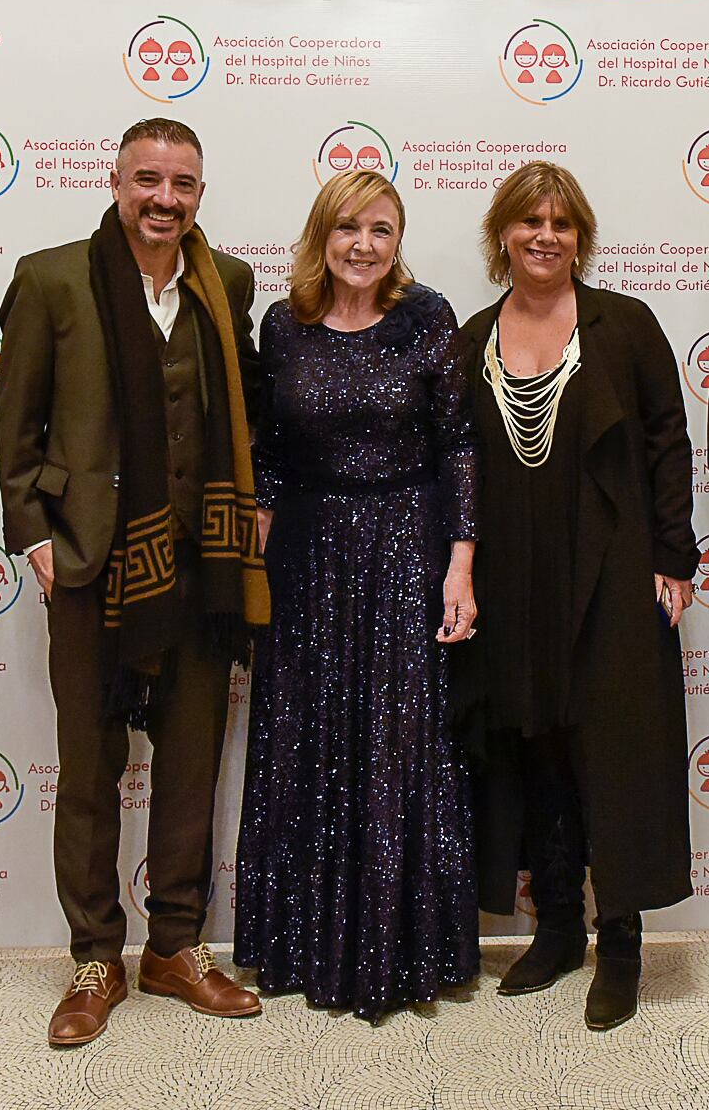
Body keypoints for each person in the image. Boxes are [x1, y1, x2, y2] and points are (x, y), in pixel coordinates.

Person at [0, 118, 266, 1045]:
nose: (164, 199)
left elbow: (238, 417)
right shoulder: (52, 278)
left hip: (202, 568)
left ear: (200, 193)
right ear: (115, 183)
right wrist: (34, 538)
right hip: (90, 562)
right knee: (92, 768)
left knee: (192, 762)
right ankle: (93, 956)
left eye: (182, 184)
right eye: (147, 180)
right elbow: (17, 426)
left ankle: (176, 948)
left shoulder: (226, 283)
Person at [455, 161, 698, 1031]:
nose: (544, 235)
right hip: (511, 579)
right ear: (503, 236)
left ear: (580, 236)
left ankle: (619, 943)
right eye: (529, 221)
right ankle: (555, 928)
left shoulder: (625, 327)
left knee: (613, 756)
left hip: (613, 571)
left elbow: (670, 443)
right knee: (534, 752)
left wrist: (674, 555)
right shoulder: (470, 338)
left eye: (561, 221)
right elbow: (457, 467)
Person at [232, 170, 480, 1021]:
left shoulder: (427, 318)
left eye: (380, 229)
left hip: (404, 549)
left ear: (397, 239)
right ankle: (299, 945)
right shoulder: (282, 323)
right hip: (306, 556)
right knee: (304, 737)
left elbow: (458, 447)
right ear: (321, 235)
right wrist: (261, 517)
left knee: (395, 741)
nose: (363, 246)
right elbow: (266, 442)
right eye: (347, 229)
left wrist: (461, 562)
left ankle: (397, 948)